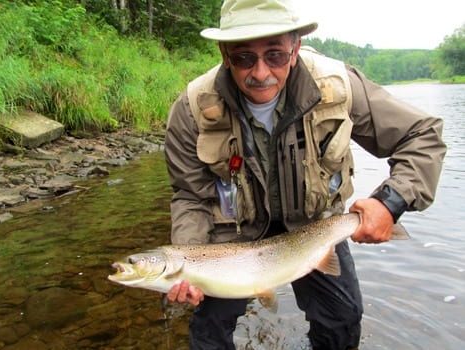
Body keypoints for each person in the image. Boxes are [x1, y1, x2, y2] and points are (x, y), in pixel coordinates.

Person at [164, 0, 446, 349]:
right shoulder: (192, 108)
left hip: (314, 228)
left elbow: (421, 135)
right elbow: (191, 196)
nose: (261, 72)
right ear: (225, 54)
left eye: (275, 55)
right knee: (208, 332)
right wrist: (188, 258)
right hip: (235, 236)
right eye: (244, 58)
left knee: (341, 320)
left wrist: (390, 203)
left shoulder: (337, 86)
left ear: (295, 49)